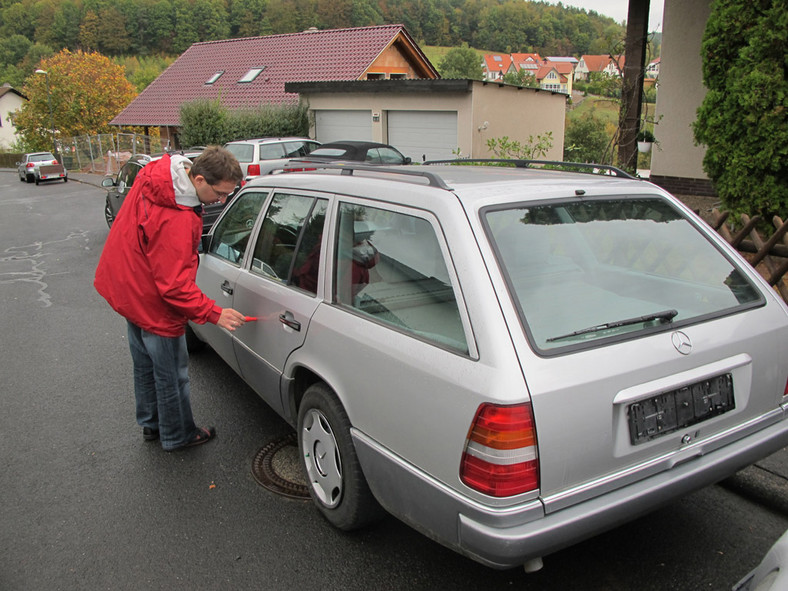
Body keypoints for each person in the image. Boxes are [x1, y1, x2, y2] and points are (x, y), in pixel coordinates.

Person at [94, 146, 246, 451]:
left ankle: (151, 423)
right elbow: (174, 287)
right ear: (199, 179)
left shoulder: (156, 177)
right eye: (219, 193)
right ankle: (178, 434)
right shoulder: (176, 217)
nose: (221, 201)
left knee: (144, 364)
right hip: (153, 302)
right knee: (172, 376)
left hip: (129, 288)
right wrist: (214, 314)